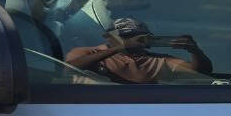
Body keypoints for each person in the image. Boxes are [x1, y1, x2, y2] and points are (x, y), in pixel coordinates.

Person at [64, 17, 213, 84]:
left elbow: (202, 73)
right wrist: (120, 48)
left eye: (139, 37)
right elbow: (68, 69)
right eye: (126, 36)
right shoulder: (88, 53)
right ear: (108, 37)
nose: (133, 40)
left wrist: (195, 51)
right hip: (90, 109)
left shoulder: (158, 61)